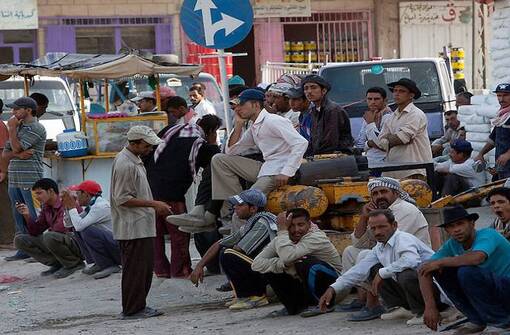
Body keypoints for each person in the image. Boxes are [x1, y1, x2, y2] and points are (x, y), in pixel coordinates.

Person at [168, 89, 308, 230]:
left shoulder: (273, 120)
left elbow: (300, 143)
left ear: (255, 105)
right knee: (219, 159)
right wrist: (239, 124)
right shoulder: (255, 125)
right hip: (267, 167)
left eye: (241, 105)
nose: (238, 108)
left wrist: (287, 171)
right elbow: (232, 150)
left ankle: (238, 216)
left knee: (246, 203)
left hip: (278, 171)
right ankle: (231, 209)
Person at [320, 209, 440, 326]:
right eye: (373, 228)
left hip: (436, 293)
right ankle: (403, 308)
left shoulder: (403, 238)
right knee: (373, 268)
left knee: (405, 274)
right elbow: (359, 270)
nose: (377, 232)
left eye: (382, 227)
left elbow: (411, 260)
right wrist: (333, 288)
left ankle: (422, 312)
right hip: (418, 289)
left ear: (394, 225)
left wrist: (382, 273)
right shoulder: (380, 247)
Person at [340, 177, 431, 321]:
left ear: (395, 193)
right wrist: (364, 218)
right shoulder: (381, 212)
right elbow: (358, 243)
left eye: (384, 192)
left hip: (411, 262)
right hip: (391, 256)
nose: (379, 196)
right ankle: (363, 299)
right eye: (375, 194)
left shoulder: (405, 209)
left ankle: (373, 305)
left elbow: (390, 242)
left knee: (366, 255)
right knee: (350, 252)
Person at [110, 125, 172, 319]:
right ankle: (133, 308)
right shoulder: (125, 164)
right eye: (147, 146)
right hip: (132, 226)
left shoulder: (134, 159)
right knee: (136, 270)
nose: (150, 149)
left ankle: (137, 306)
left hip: (140, 224)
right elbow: (122, 198)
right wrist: (154, 204)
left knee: (143, 269)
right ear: (135, 143)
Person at [418, 206, 510, 334]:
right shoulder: (452, 244)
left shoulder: (488, 234)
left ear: (472, 223)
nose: (456, 230)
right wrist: (430, 307)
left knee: (466, 272)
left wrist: (441, 262)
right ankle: (477, 320)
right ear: (447, 230)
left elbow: (477, 258)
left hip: (506, 288)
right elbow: (424, 269)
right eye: (451, 226)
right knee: (443, 271)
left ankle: (500, 321)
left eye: (460, 224)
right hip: (494, 292)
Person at [189, 189, 277, 310]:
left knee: (229, 254)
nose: (235, 207)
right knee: (225, 250)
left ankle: (255, 296)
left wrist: (229, 247)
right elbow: (219, 243)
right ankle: (244, 295)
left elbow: (239, 249)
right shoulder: (251, 222)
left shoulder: (262, 222)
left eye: (240, 205)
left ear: (253, 209)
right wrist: (199, 266)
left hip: (274, 274)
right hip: (265, 270)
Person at [252, 208, 342, 316]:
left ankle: (325, 305)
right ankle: (296, 307)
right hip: (305, 283)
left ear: (309, 224)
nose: (296, 230)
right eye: (291, 226)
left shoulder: (316, 237)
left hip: (334, 285)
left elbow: (288, 256)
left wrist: (282, 232)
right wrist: (282, 264)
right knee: (271, 268)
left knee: (304, 262)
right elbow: (256, 264)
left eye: (300, 225)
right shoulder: (282, 239)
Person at [1, 97, 46, 261]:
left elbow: (17, 147)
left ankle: (38, 248)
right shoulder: (19, 127)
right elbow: (5, 154)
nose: (13, 113)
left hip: (31, 179)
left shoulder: (36, 128)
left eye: (16, 109)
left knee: (33, 215)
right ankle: (24, 249)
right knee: (18, 214)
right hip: (15, 178)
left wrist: (11, 130)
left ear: (28, 110)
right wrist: (19, 154)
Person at [14, 178, 84, 278]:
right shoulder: (47, 207)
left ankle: (73, 264)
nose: (37, 197)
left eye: (39, 193)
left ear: (50, 191)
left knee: (49, 236)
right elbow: (35, 231)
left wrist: (47, 234)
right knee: (20, 240)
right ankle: (58, 263)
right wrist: (27, 215)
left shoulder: (66, 203)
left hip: (77, 243)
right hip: (58, 239)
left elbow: (61, 229)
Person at [368, 78, 433, 179]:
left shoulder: (415, 114)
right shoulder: (393, 116)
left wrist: (387, 139)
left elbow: (402, 138)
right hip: (393, 171)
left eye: (401, 91)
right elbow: (381, 141)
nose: (396, 94)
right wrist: (388, 139)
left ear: (411, 95)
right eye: (395, 91)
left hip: (413, 171)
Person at [61, 180, 121, 280]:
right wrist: (67, 207)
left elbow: (80, 226)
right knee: (79, 228)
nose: (76, 197)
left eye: (78, 194)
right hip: (111, 244)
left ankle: (109, 265)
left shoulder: (101, 206)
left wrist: (72, 206)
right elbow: (69, 224)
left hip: (118, 248)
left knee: (86, 230)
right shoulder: (91, 206)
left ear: (86, 195)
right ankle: (98, 263)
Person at [302, 75, 354, 155]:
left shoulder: (332, 110)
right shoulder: (314, 110)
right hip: (322, 157)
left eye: (313, 87)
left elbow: (330, 142)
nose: (309, 91)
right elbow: (313, 140)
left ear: (324, 91)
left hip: (336, 158)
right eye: (306, 88)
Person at [475, 83, 510, 180]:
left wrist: (508, 154)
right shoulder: (502, 116)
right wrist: (481, 154)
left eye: (506, 95)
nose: (502, 99)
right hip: (503, 168)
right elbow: (493, 139)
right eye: (499, 95)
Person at [355, 87, 393, 166]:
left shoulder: (388, 116)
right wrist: (368, 144)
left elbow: (382, 144)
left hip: (383, 163)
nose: (372, 102)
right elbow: (360, 143)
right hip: (369, 161)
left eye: (376, 99)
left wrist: (370, 124)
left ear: (385, 101)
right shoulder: (371, 115)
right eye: (369, 99)